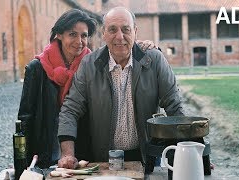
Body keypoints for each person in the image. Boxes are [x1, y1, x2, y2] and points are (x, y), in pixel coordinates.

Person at [17, 8, 155, 168]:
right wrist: (23, 160)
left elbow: (118, 47)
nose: (79, 41)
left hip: (82, 151)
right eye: (72, 34)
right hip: (44, 151)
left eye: (84, 35)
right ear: (59, 35)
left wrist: (137, 45)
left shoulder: (93, 65)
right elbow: (25, 118)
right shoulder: (37, 68)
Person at [57, 7, 184, 170]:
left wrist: (192, 151)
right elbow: (70, 109)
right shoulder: (89, 65)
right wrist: (67, 154)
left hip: (146, 156)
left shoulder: (155, 60)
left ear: (135, 31)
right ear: (103, 33)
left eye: (126, 29)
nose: (120, 37)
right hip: (103, 158)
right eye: (112, 30)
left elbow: (174, 106)